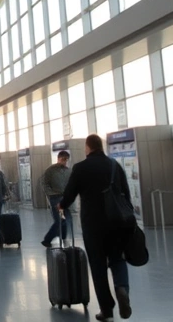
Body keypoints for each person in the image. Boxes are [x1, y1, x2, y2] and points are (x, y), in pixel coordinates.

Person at [59, 134, 132, 321]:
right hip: (116, 222)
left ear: (88, 147)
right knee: (118, 258)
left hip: (93, 225)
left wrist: (62, 205)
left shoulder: (81, 168)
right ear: (101, 146)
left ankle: (107, 311)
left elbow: (70, 194)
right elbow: (125, 194)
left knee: (98, 266)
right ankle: (122, 288)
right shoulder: (114, 166)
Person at [40, 150, 73, 247]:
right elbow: (44, 183)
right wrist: (50, 193)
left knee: (66, 219)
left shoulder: (68, 171)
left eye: (66, 160)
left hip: (64, 198)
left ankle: (63, 236)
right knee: (60, 220)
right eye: (63, 159)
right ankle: (47, 239)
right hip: (55, 198)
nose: (64, 161)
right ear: (58, 159)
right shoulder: (50, 170)